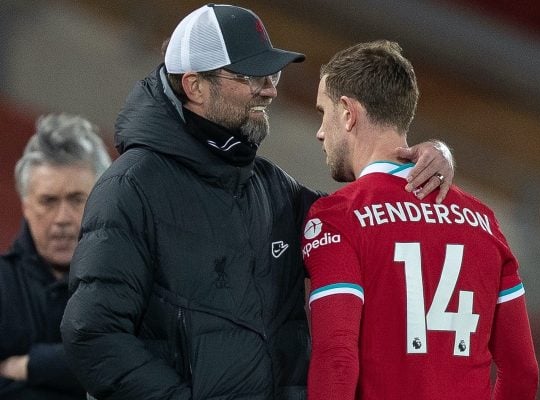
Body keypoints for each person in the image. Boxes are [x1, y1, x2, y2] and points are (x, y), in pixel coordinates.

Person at [60, 5, 454, 400]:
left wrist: (436, 153)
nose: (270, 88)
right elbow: (92, 333)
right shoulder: (131, 187)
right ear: (196, 86)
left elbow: (370, 227)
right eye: (251, 76)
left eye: (272, 74)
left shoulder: (272, 187)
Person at [302, 40, 539, 400]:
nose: (321, 131)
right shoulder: (484, 221)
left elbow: (337, 359)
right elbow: (522, 371)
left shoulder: (339, 217)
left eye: (324, 112)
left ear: (348, 113)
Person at [0, 113, 111, 400]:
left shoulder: (139, 279)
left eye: (77, 199)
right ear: (25, 205)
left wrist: (33, 365)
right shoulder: (3, 284)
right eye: (48, 201)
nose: (62, 218)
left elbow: (144, 361)